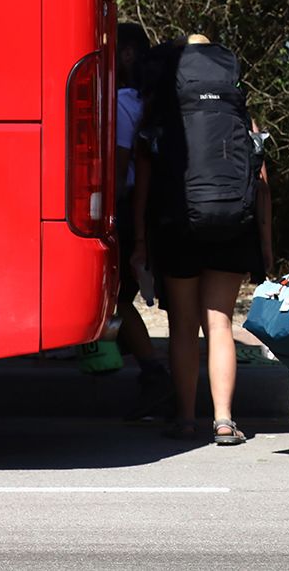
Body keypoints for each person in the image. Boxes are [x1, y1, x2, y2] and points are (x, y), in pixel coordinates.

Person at [134, 35, 272, 446]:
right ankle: (225, 420)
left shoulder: (160, 113)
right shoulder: (238, 113)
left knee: (183, 326)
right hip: (232, 222)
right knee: (220, 324)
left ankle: (186, 419)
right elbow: (260, 182)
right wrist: (266, 246)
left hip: (178, 223)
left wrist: (140, 241)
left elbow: (143, 185)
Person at [114, 22, 173, 424]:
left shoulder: (122, 101)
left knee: (114, 298)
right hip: (170, 208)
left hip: (133, 207)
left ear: (129, 53)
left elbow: (121, 168)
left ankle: (155, 376)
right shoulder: (162, 100)